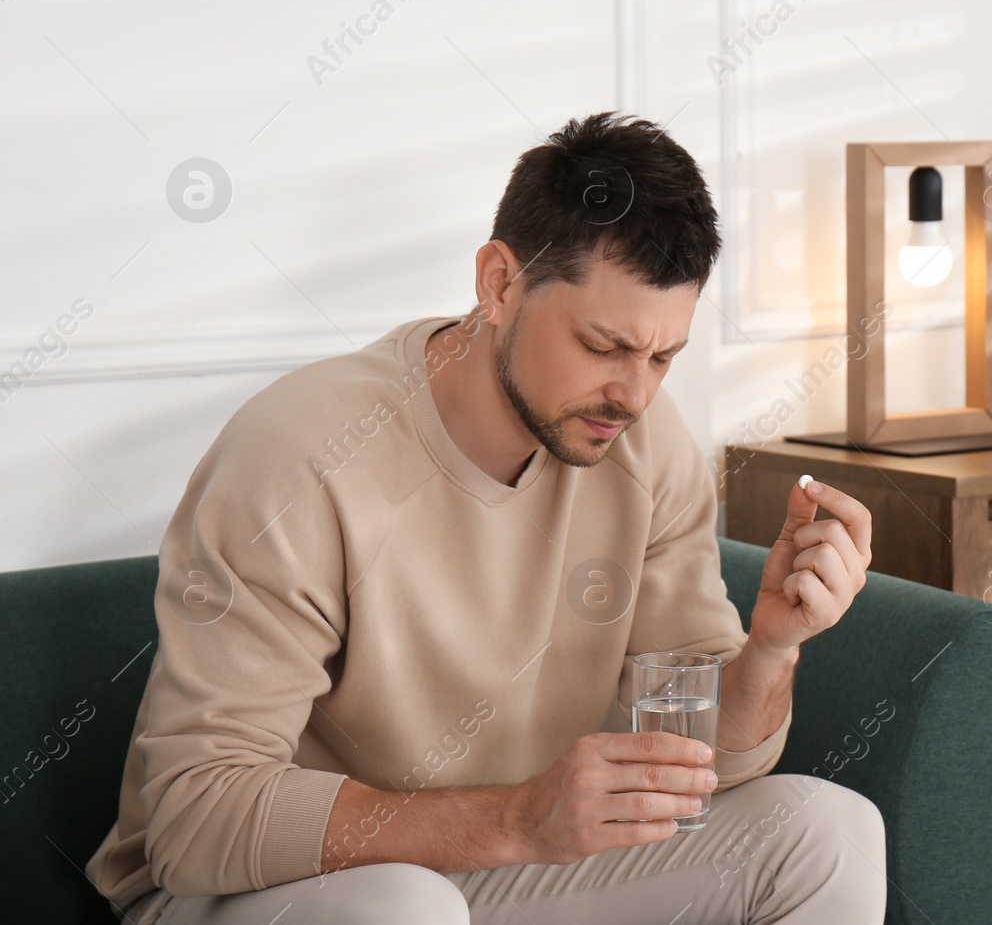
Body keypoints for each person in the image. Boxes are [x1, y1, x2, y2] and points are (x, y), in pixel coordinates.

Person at [86, 111, 886, 924]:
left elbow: (693, 766)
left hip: (502, 867)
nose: (636, 394)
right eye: (604, 345)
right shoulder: (295, 458)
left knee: (829, 832)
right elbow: (197, 818)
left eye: (662, 356)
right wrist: (514, 818)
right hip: (263, 891)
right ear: (500, 282)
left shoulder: (646, 445)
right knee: (407, 906)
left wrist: (773, 649)